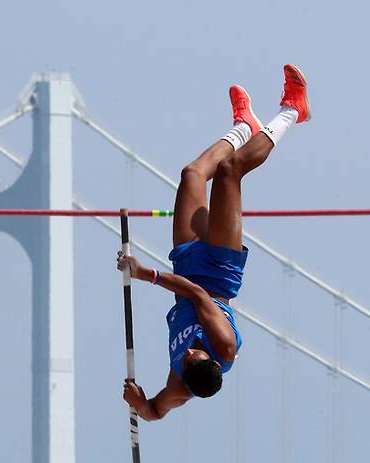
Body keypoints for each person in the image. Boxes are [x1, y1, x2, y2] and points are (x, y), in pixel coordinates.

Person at [117, 64, 311, 421]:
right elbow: (198, 295)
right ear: (211, 359)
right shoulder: (224, 344)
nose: (189, 353)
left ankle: (244, 127)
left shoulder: (180, 384)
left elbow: (157, 410)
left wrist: (141, 405)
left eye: (186, 359)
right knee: (228, 172)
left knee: (191, 174)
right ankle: (294, 110)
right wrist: (144, 274)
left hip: (189, 264)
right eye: (196, 355)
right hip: (218, 273)